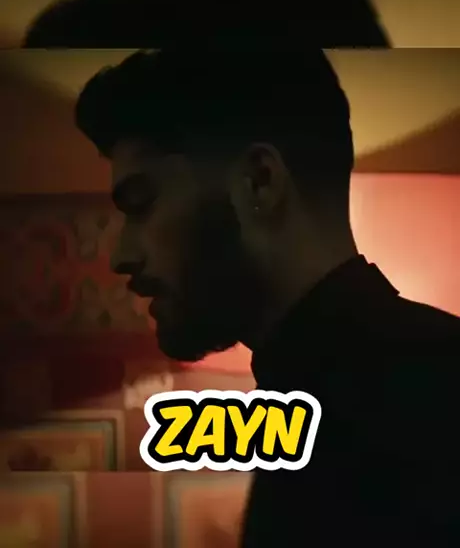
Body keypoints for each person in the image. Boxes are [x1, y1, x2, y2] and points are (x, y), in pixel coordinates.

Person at [75, 44, 460, 547]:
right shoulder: (322, 402)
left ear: (260, 181)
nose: (119, 256)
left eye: (142, 203)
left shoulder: (410, 407)